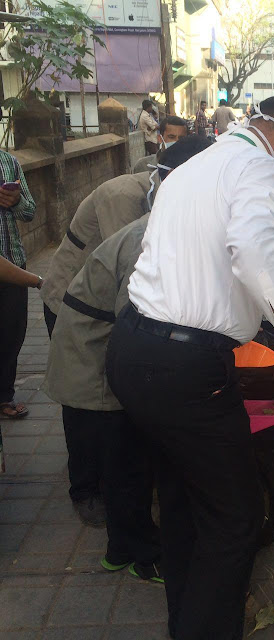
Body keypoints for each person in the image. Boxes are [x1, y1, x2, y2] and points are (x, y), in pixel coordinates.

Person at [105, 95, 274, 640]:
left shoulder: (195, 165)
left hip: (133, 348)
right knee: (236, 520)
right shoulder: (260, 166)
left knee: (185, 502)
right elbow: (257, 252)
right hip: (184, 370)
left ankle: (185, 623)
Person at [43, 137, 212, 580]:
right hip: (95, 343)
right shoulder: (147, 236)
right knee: (122, 457)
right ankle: (136, 551)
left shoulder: (165, 224)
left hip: (111, 338)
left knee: (124, 456)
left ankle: (121, 545)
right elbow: (135, 320)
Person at [41, 167, 160, 337]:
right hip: (73, 304)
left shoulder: (155, 190)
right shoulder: (123, 195)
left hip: (96, 304)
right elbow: (126, 269)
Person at [0, 150, 36, 420]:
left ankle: (4, 395)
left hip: (12, 260)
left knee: (12, 334)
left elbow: (30, 212)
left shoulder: (9, 162)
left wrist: (17, 201)